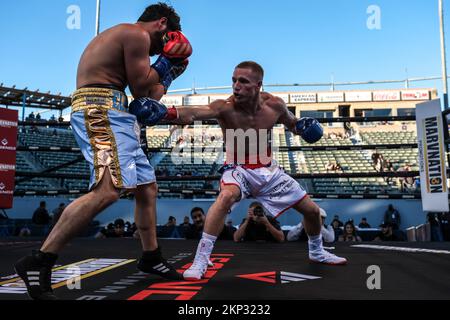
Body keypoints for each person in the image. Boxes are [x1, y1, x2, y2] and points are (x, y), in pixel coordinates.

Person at [14, 3, 192, 300]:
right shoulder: (135, 34)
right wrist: (165, 64)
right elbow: (141, 90)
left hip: (115, 113)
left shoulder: (129, 39)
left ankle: (151, 256)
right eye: (170, 37)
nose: (166, 45)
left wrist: (169, 71)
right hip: (100, 111)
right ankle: (39, 259)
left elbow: (150, 95)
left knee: (147, 187)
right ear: (162, 24)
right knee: (108, 190)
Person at [130, 61, 347, 280]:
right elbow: (194, 113)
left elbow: (293, 124)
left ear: (258, 85)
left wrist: (303, 126)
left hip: (268, 170)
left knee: (311, 212)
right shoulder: (225, 107)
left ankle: (317, 252)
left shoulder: (275, 106)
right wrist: (165, 112)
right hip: (238, 168)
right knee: (226, 196)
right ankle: (201, 260)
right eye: (234, 80)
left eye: (243, 81)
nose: (236, 86)